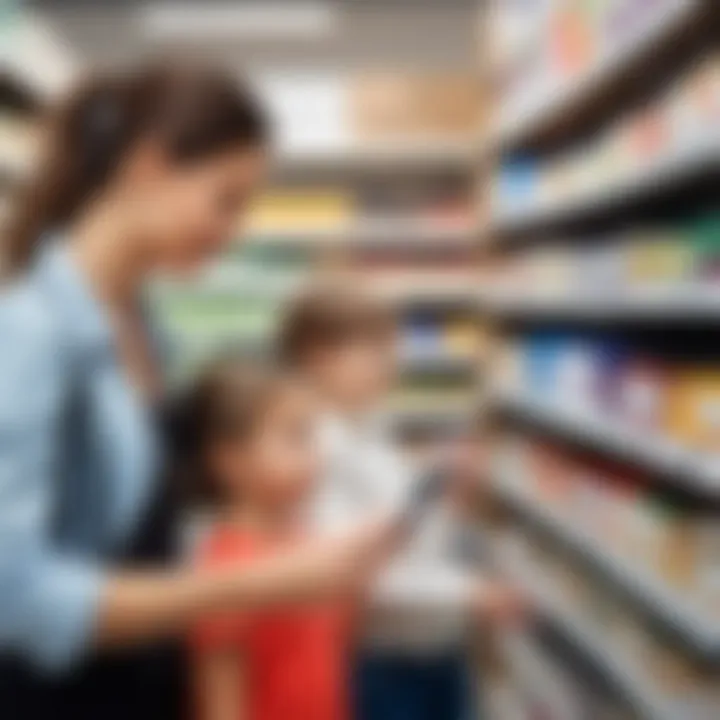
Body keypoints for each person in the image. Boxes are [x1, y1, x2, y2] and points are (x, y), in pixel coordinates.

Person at [0, 63, 406, 720]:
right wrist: (262, 582)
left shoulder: (143, 322)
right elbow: (16, 600)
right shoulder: (27, 336)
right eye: (226, 199)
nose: (234, 228)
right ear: (149, 166)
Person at [278, 286, 524, 720]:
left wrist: (440, 490)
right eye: (373, 348)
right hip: (386, 662)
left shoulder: (366, 424)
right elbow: (349, 569)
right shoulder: (314, 449)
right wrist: (469, 594)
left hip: (430, 651)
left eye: (390, 346)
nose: (390, 362)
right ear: (317, 356)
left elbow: (398, 529)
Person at [186, 359, 356, 720]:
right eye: (296, 437)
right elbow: (222, 700)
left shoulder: (306, 542)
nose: (315, 455)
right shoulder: (229, 567)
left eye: (312, 437)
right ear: (230, 459)